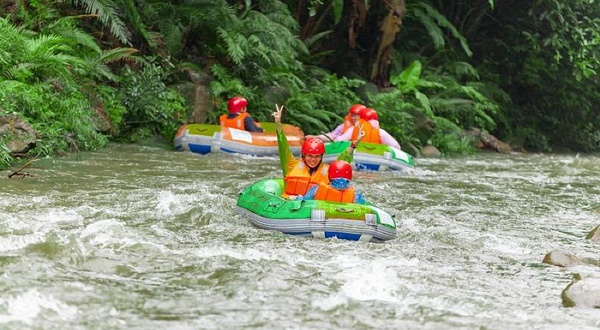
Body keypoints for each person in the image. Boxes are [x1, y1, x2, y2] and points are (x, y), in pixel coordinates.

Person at [272, 104, 365, 198]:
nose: (313, 159)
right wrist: (278, 124)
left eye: (317, 156)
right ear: (304, 155)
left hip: (314, 206)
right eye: (310, 156)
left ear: (321, 157)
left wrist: (355, 143)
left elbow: (342, 161)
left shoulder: (328, 171)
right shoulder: (291, 165)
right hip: (290, 202)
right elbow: (283, 147)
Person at [297, 160, 367, 204]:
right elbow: (364, 206)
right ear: (349, 177)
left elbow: (303, 201)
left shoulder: (317, 189)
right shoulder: (355, 195)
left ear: (329, 176)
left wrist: (298, 198)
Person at [335, 108, 402, 150]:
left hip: (355, 154)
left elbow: (338, 141)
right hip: (375, 158)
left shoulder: (353, 129)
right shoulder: (380, 132)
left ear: (361, 119)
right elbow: (396, 147)